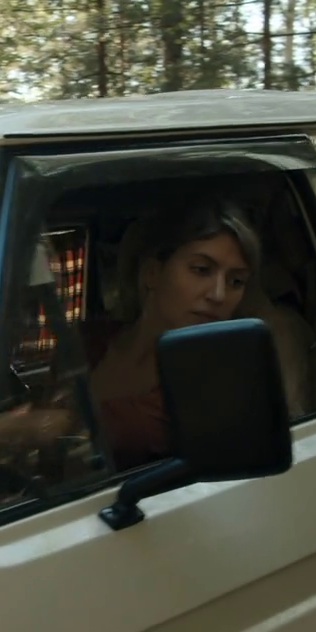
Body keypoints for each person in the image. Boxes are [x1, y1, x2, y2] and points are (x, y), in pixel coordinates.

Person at [85, 199, 262, 469]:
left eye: (236, 281)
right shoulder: (87, 341)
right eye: (201, 270)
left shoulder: (216, 385)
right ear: (152, 272)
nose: (218, 295)